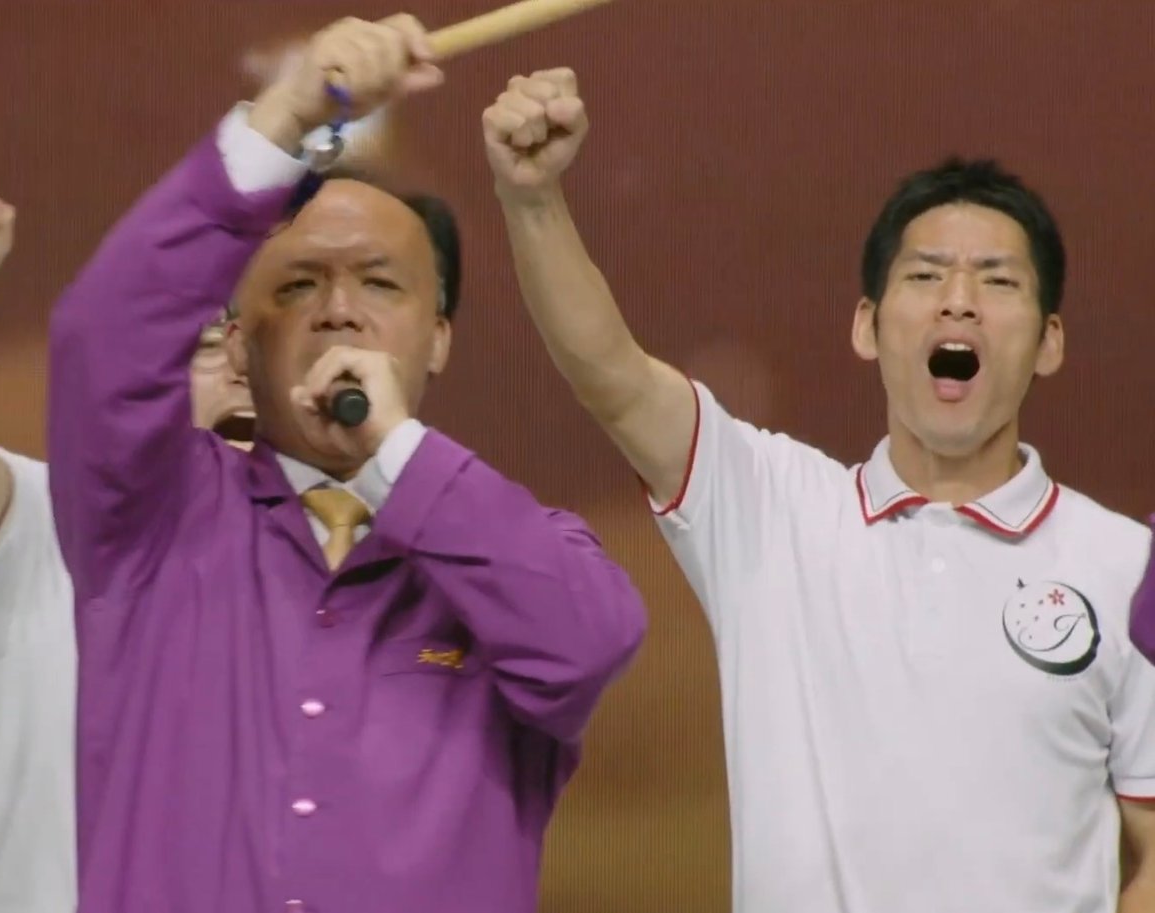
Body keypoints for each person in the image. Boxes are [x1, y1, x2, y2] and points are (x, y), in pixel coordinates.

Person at [485, 68, 1155, 911]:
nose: (959, 302)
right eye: (924, 276)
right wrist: (533, 197)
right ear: (866, 326)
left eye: (997, 280)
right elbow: (611, 375)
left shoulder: (1127, 566)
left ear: (1050, 340)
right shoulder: (771, 509)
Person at [47, 16, 647, 912]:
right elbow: (100, 343)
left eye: (380, 283)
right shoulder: (153, 517)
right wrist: (282, 119)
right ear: (239, 345)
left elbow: (589, 641)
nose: (338, 311)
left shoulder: (518, 551)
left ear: (438, 339)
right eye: (296, 286)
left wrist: (393, 458)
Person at [0, 189, 258, 911]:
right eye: (208, 343)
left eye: (264, 344)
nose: (242, 369)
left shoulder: (351, 575)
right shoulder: (48, 522)